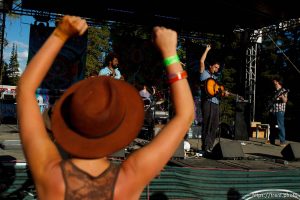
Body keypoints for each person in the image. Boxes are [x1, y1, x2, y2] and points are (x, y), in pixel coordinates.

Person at [16, 15, 194, 200]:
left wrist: (60, 34)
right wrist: (170, 53)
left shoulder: (49, 174)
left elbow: (25, 90)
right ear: (119, 128)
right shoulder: (130, 177)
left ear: (68, 121)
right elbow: (185, 115)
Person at [199, 44, 229, 154]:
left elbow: (219, 92)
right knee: (207, 123)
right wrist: (207, 49)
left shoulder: (216, 78)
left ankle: (210, 146)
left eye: (218, 68)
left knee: (215, 124)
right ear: (211, 66)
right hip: (207, 102)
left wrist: (224, 93)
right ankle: (205, 146)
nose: (216, 69)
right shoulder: (204, 73)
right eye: (215, 67)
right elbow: (202, 62)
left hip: (216, 103)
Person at [267, 76, 288, 147]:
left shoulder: (283, 90)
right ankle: (271, 140)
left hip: (280, 110)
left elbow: (285, 101)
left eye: (274, 80)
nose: (273, 82)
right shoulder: (274, 91)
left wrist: (282, 97)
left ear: (277, 81)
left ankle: (282, 142)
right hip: (272, 110)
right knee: (272, 126)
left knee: (280, 126)